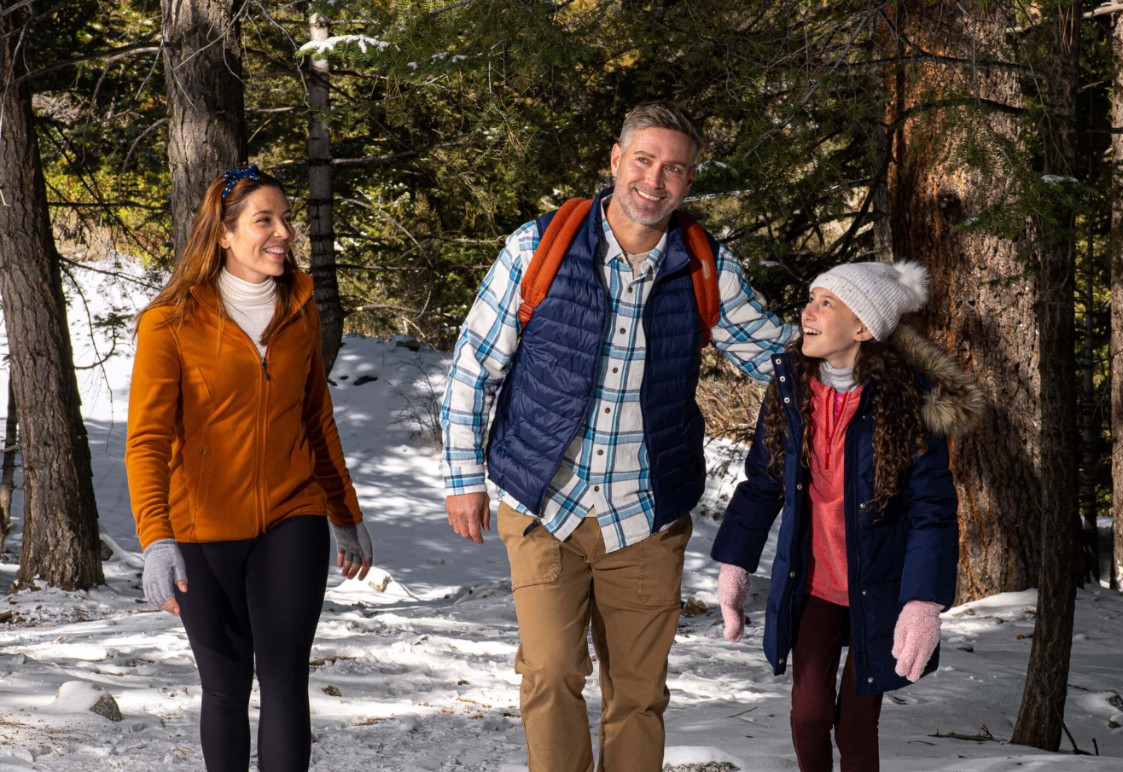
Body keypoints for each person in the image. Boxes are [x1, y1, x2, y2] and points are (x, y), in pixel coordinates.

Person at [441, 100, 796, 772]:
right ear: (615, 160)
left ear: (689, 182)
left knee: (637, 694)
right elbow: (473, 365)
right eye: (643, 160)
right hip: (545, 501)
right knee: (549, 674)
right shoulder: (537, 247)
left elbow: (774, 354)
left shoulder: (703, 267)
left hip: (646, 514)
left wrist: (859, 332)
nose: (654, 181)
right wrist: (463, 479)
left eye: (674, 169)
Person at [126, 165, 373, 772]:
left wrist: (344, 513)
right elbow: (148, 440)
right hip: (202, 530)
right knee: (227, 686)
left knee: (285, 680)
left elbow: (317, 418)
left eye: (285, 219)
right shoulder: (171, 323)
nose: (283, 232)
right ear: (224, 234)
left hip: (292, 520)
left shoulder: (300, 308)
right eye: (265, 220)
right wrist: (156, 538)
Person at [712, 261, 983, 772]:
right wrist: (734, 567)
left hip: (879, 590)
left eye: (825, 303)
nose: (807, 311)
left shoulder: (904, 400)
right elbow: (764, 482)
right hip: (813, 585)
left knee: (856, 728)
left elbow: (933, 509)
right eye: (811, 298)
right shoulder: (790, 387)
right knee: (809, 716)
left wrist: (922, 602)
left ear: (862, 328)